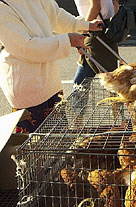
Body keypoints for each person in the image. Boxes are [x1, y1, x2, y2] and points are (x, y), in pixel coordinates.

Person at [0, 0, 103, 133]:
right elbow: (27, 47)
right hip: (26, 87)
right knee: (35, 146)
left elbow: (57, 16)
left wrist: (86, 24)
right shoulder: (3, 7)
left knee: (59, 140)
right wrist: (68, 40)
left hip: (50, 82)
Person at [73, 0, 120, 85]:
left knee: (111, 82)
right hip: (103, 29)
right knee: (81, 80)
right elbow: (115, 4)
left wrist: (84, 30)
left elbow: (95, 7)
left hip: (95, 30)